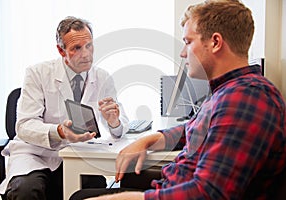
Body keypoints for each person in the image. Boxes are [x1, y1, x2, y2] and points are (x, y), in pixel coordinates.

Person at [70, 1, 286, 199]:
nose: (183, 53)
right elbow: (189, 130)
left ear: (215, 42)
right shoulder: (228, 92)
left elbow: (207, 194)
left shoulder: (244, 99)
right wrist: (147, 139)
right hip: (172, 184)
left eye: (188, 42)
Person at [0, 16, 129, 200]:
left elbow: (119, 129)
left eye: (89, 45)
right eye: (76, 48)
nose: (86, 54)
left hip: (78, 155)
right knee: (27, 191)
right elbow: (24, 125)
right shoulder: (37, 73)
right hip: (35, 155)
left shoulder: (102, 77)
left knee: (93, 192)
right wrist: (59, 131)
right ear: (61, 50)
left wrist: (114, 122)